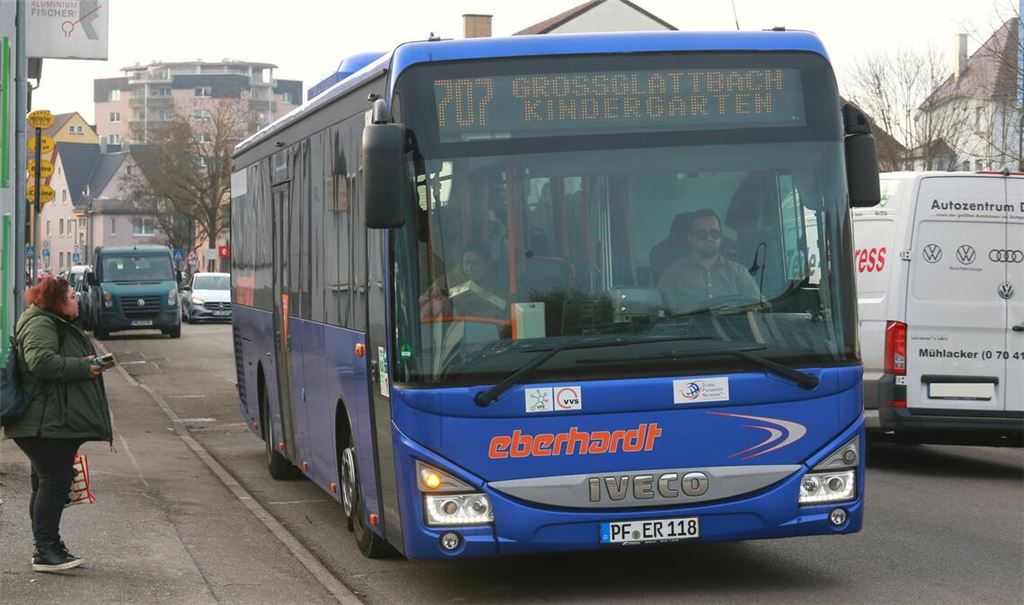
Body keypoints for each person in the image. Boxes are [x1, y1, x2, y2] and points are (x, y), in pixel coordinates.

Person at [5, 276, 112, 572]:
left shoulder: (49, 321)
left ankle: (48, 545)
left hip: (48, 420)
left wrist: (84, 362)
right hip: (44, 421)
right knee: (54, 481)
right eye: (72, 296)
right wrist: (83, 367)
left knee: (46, 482)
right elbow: (41, 362)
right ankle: (46, 550)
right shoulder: (41, 323)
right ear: (57, 301)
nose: (77, 301)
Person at [657, 208, 761, 314]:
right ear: (690, 238)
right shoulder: (672, 275)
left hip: (732, 324)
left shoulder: (739, 272)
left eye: (715, 233)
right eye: (702, 234)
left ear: (721, 237)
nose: (709, 239)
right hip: (690, 325)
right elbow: (664, 316)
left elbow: (759, 307)